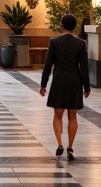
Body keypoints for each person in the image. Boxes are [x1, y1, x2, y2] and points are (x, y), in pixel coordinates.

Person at [39, 13, 91, 161]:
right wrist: (86, 87)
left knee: (58, 114)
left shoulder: (54, 41)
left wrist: (43, 84)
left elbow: (48, 64)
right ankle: (70, 147)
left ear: (62, 25)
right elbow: (84, 67)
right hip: (75, 80)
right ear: (74, 27)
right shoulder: (81, 44)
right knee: (73, 115)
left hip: (59, 79)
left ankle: (60, 144)